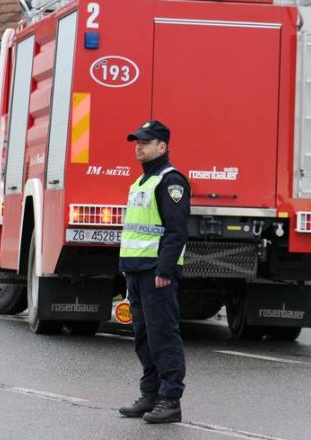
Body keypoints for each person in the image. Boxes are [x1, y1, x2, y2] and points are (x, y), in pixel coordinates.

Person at [118, 120, 189, 424]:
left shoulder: (170, 181)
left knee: (163, 335)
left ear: (162, 146)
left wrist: (165, 268)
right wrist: (126, 267)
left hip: (156, 273)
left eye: (145, 142)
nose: (139, 147)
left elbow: (176, 231)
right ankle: (150, 394)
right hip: (136, 270)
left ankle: (170, 400)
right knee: (143, 336)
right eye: (137, 142)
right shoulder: (140, 183)